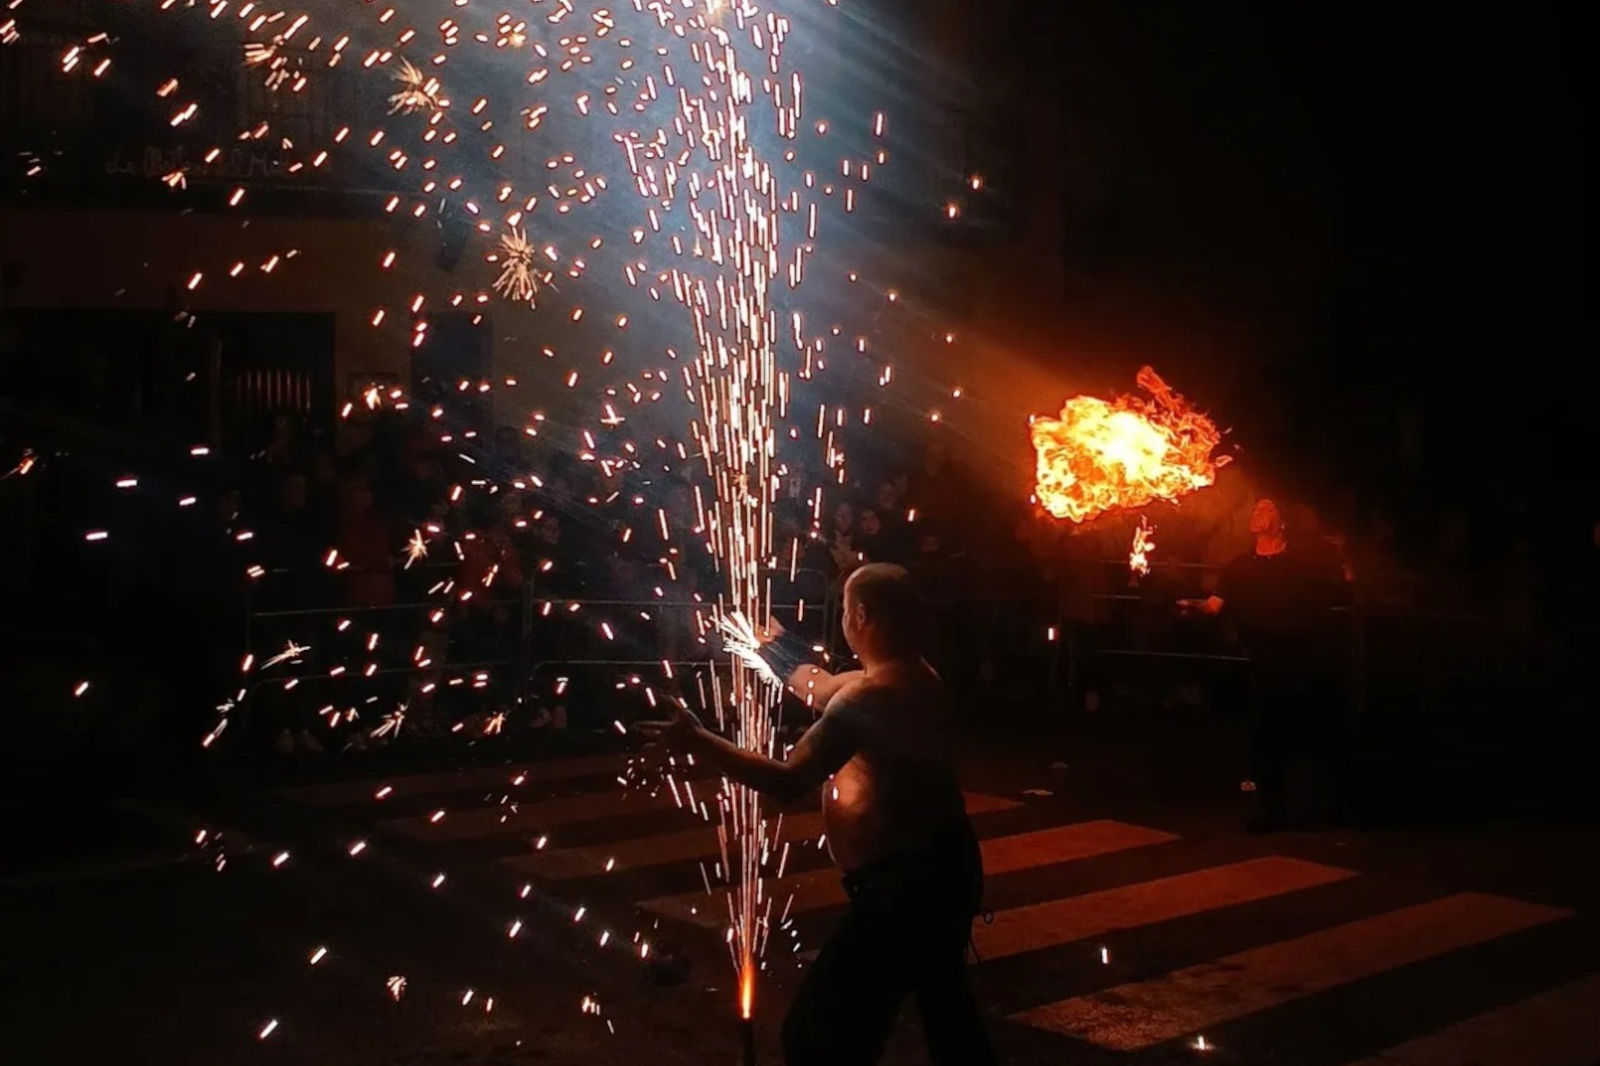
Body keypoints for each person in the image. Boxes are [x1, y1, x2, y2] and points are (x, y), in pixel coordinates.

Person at [640, 564, 995, 1066]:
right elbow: (821, 686)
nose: (845, 620)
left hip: (900, 894)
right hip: (939, 876)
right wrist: (770, 644)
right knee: (950, 1024)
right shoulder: (912, 676)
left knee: (817, 1037)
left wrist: (698, 741)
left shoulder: (873, 696)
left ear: (862, 616)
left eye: (847, 610)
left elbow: (788, 779)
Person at [1180, 497, 1352, 831]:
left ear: (1282, 521)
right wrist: (1191, 606)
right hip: (1264, 662)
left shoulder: (1302, 563)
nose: (1258, 513)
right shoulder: (1240, 566)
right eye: (1256, 509)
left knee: (1316, 731)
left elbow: (1341, 592)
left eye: (1268, 508)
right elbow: (1215, 606)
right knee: (1266, 733)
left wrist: (1345, 556)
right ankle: (1269, 806)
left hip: (1306, 661)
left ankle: (1339, 800)